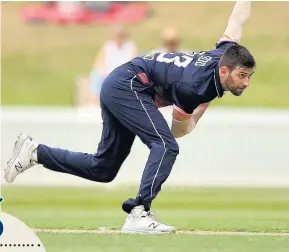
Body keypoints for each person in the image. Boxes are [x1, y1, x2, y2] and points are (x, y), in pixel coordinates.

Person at [5, 1, 256, 234]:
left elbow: (237, 19)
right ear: (224, 71)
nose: (246, 83)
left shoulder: (225, 52)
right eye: (242, 76)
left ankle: (36, 152)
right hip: (128, 85)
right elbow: (178, 130)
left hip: (121, 83)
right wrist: (201, 108)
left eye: (249, 76)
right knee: (166, 146)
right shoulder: (194, 88)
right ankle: (139, 212)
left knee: (103, 169)